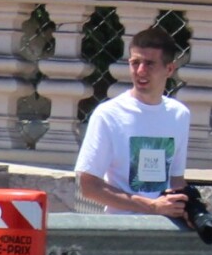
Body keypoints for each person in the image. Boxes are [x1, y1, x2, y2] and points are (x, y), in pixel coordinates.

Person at [75, 26, 194, 224]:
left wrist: (186, 205)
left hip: (165, 225)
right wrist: (150, 206)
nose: (140, 71)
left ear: (169, 69)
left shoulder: (179, 114)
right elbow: (88, 186)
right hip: (122, 225)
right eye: (135, 63)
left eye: (149, 64)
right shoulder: (108, 114)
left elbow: (175, 179)